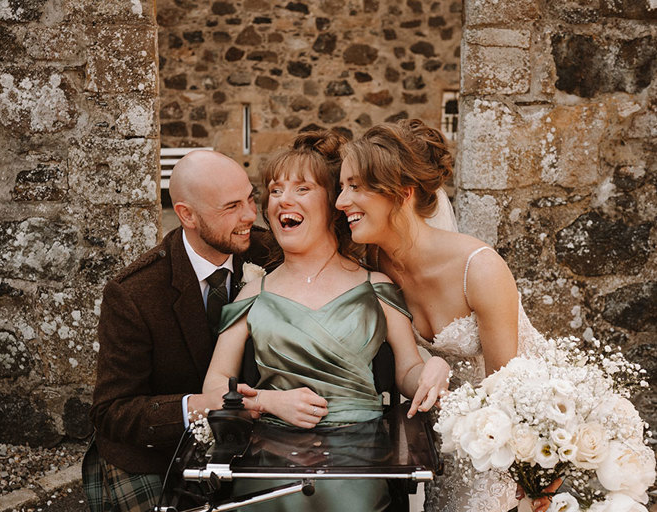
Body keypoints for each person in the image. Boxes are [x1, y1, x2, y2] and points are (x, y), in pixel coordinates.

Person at [203, 130, 451, 511]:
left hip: (363, 454)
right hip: (269, 455)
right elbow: (214, 385)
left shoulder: (376, 287)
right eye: (274, 190)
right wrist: (270, 401)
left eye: (302, 188)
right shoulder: (254, 294)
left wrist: (433, 368)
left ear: (333, 203)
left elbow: (408, 371)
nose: (283, 199)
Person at [335, 119, 558, 512]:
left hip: (513, 440)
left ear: (401, 193)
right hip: (445, 446)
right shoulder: (372, 263)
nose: (341, 202)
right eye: (341, 187)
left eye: (355, 186)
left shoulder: (479, 268)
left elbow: (506, 393)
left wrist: (530, 480)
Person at [83, 150, 274, 512]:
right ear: (187, 215)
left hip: (256, 443)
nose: (250, 215)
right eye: (231, 206)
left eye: (251, 198)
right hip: (157, 457)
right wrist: (199, 407)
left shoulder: (271, 254)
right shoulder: (134, 293)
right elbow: (111, 411)